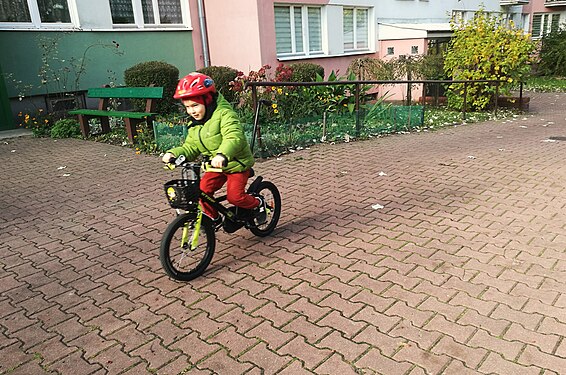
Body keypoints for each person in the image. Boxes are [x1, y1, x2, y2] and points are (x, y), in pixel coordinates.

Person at [162, 72, 266, 228]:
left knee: (235, 197)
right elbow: (191, 147)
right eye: (188, 107)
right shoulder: (196, 123)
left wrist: (222, 155)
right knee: (201, 193)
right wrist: (174, 153)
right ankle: (213, 220)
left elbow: (233, 138)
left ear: (208, 100)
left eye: (195, 105)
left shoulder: (225, 115)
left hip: (235, 163)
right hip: (215, 166)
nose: (192, 111)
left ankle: (258, 203)